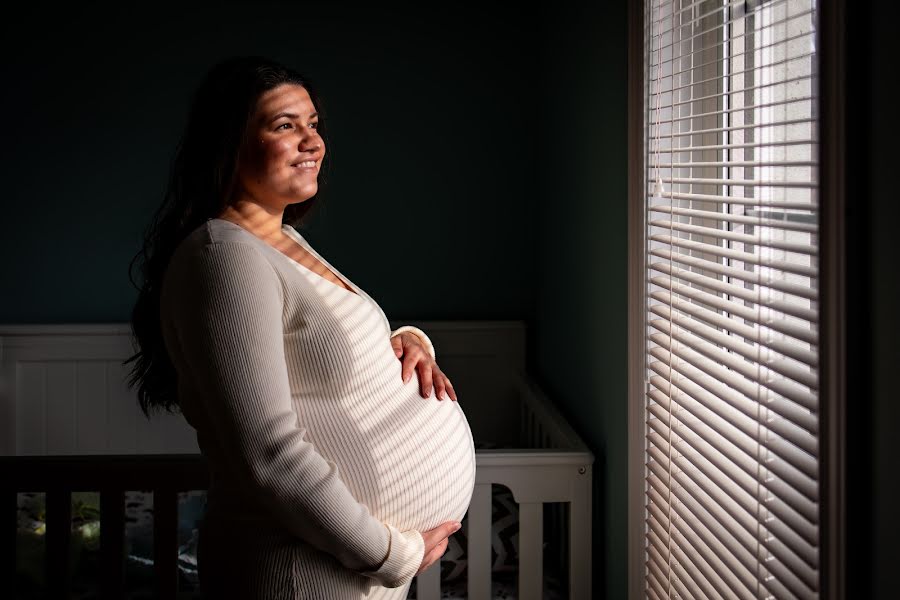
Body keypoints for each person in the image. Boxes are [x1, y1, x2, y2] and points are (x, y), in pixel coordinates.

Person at [124, 56, 476, 599]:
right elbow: (267, 453)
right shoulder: (224, 255)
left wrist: (407, 343)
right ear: (228, 142)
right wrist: (392, 554)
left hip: (345, 572)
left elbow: (324, 345)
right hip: (299, 573)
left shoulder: (280, 241)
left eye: (314, 124)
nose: (312, 142)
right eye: (285, 125)